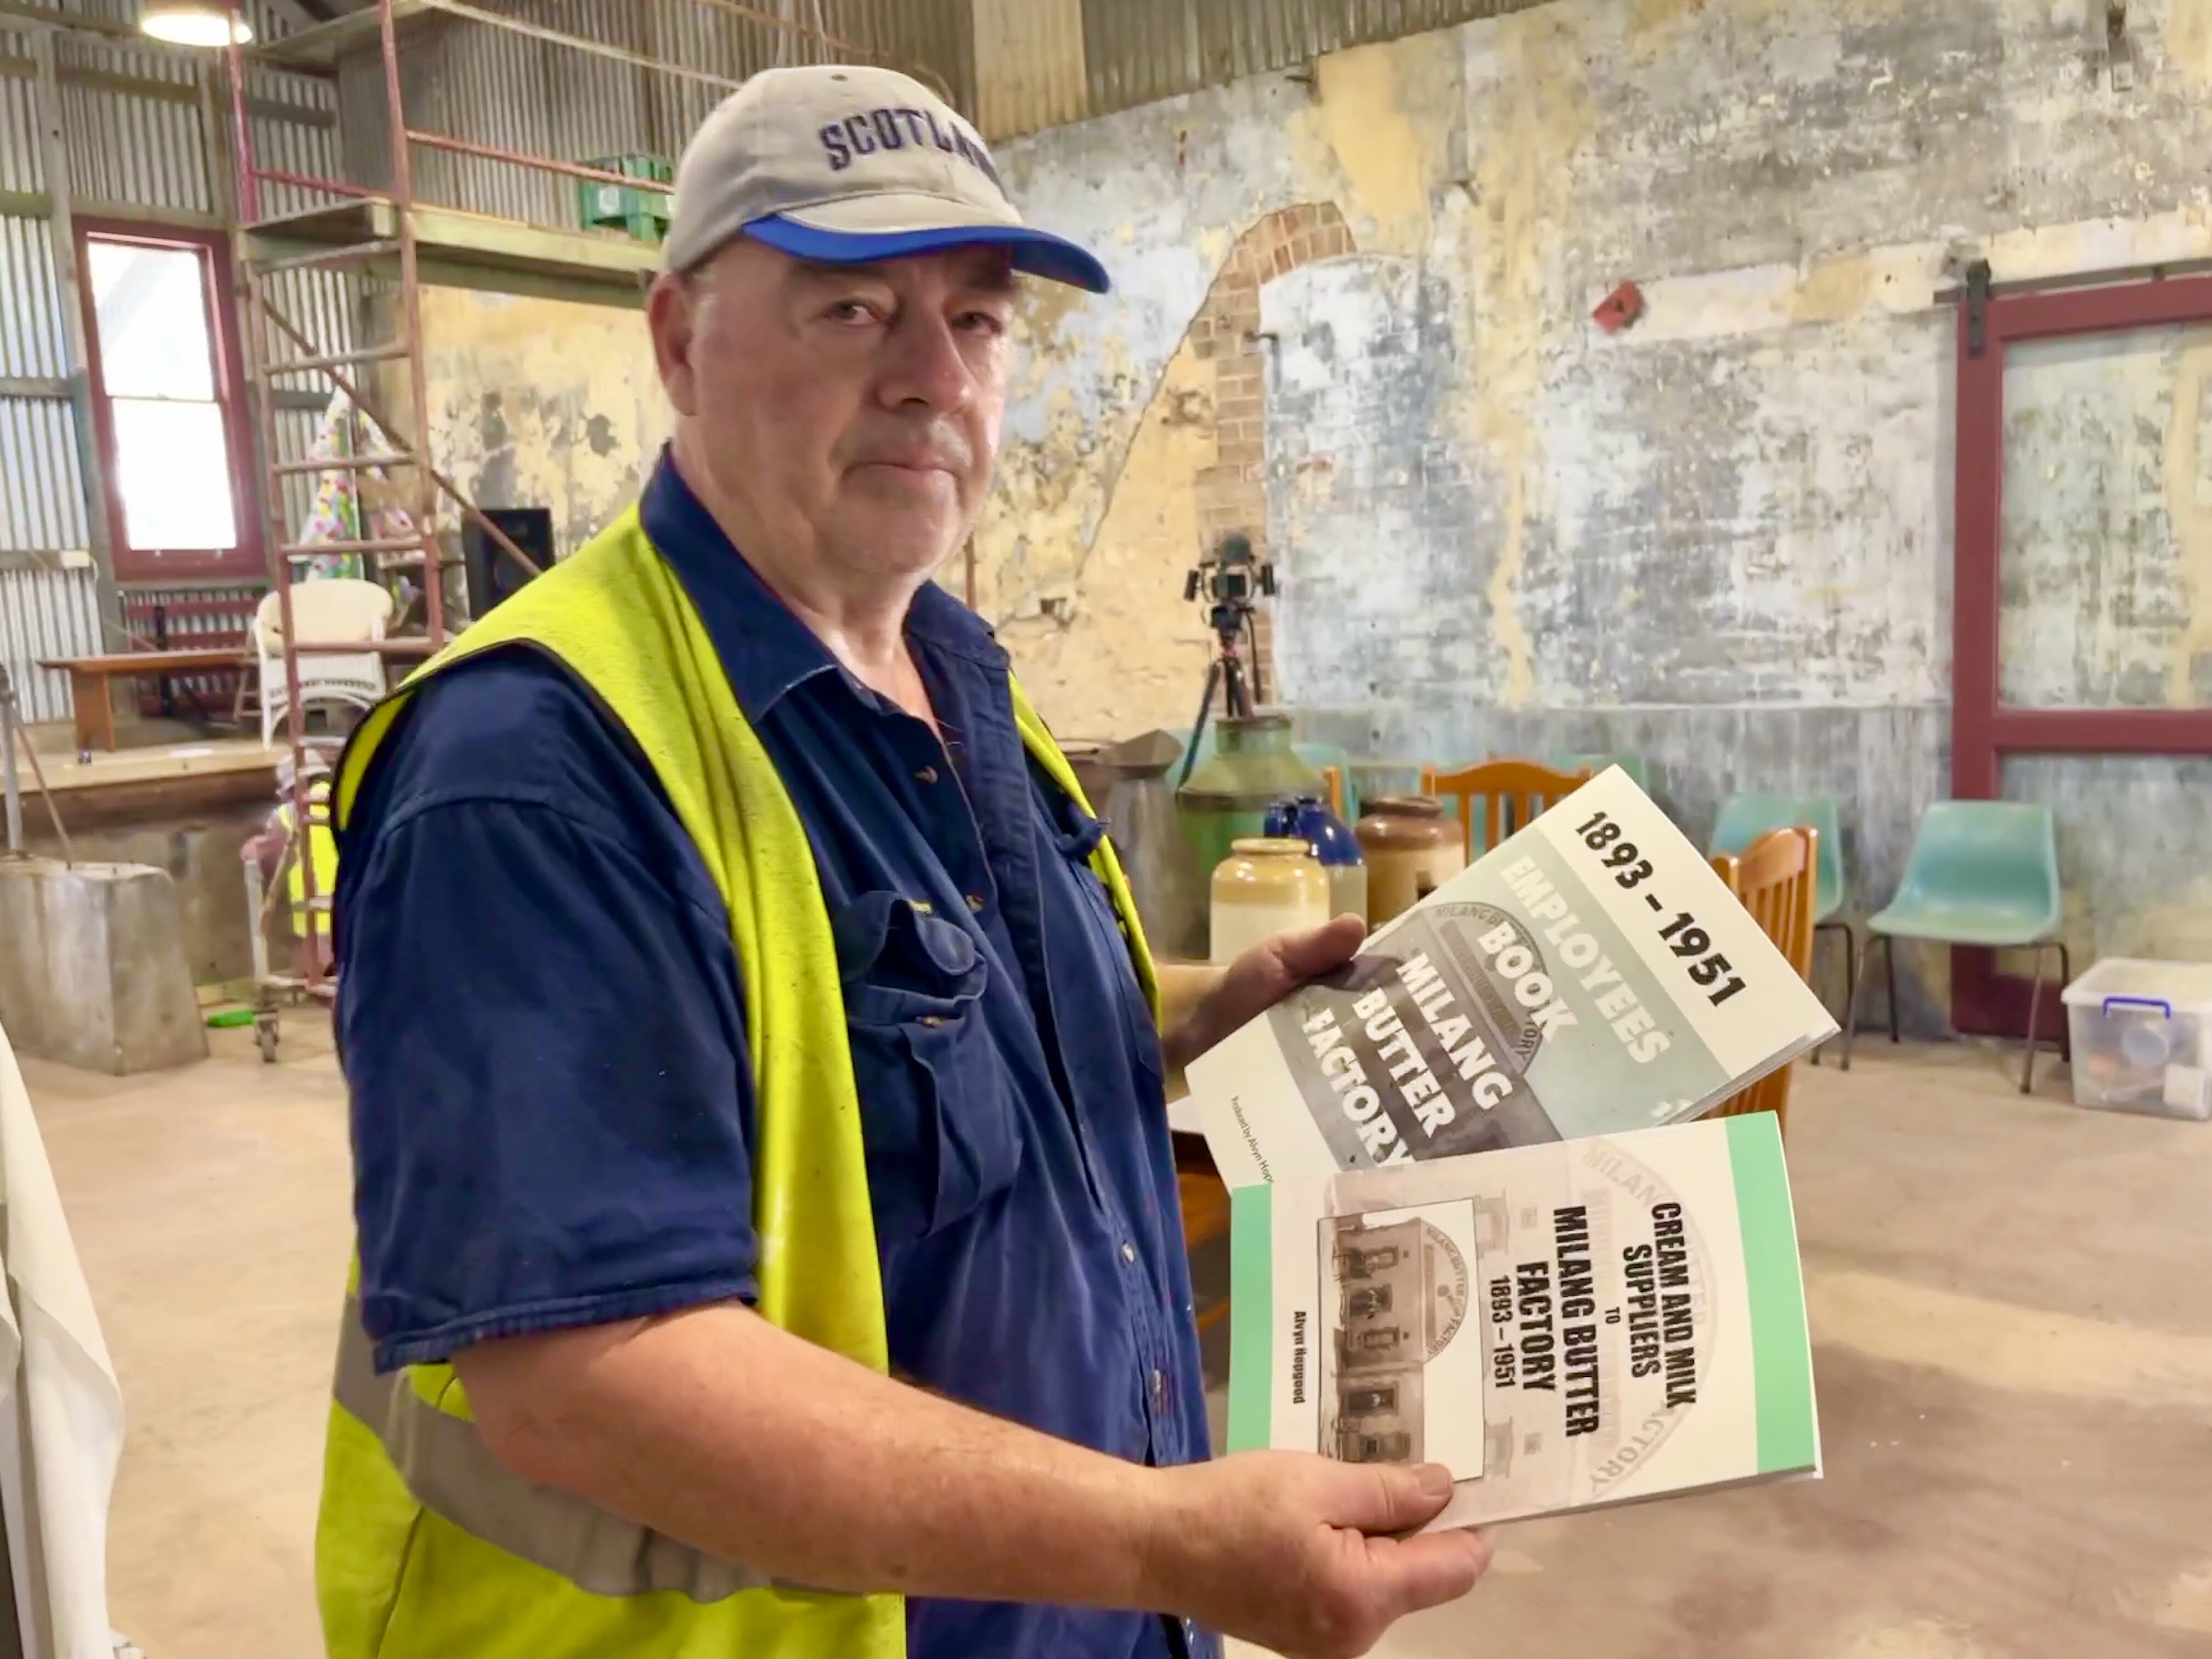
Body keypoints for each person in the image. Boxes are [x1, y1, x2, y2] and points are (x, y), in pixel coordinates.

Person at [319, 64, 1490, 1659]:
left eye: (980, 319)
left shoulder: (959, 677)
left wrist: (1189, 1011)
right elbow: (588, 1382)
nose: (935, 377)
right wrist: (1165, 1538)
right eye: (853, 313)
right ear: (678, 340)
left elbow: (893, 1056)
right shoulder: (535, 772)